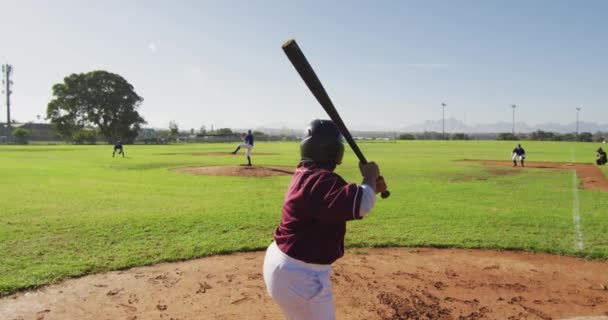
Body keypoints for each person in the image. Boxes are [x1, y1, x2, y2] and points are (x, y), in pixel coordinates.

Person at [262, 119, 387, 319]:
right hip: (300, 276)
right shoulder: (322, 180)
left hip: (287, 266)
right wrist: (369, 178)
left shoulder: (308, 174)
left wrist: (369, 187)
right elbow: (361, 205)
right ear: (335, 151)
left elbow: (340, 201)